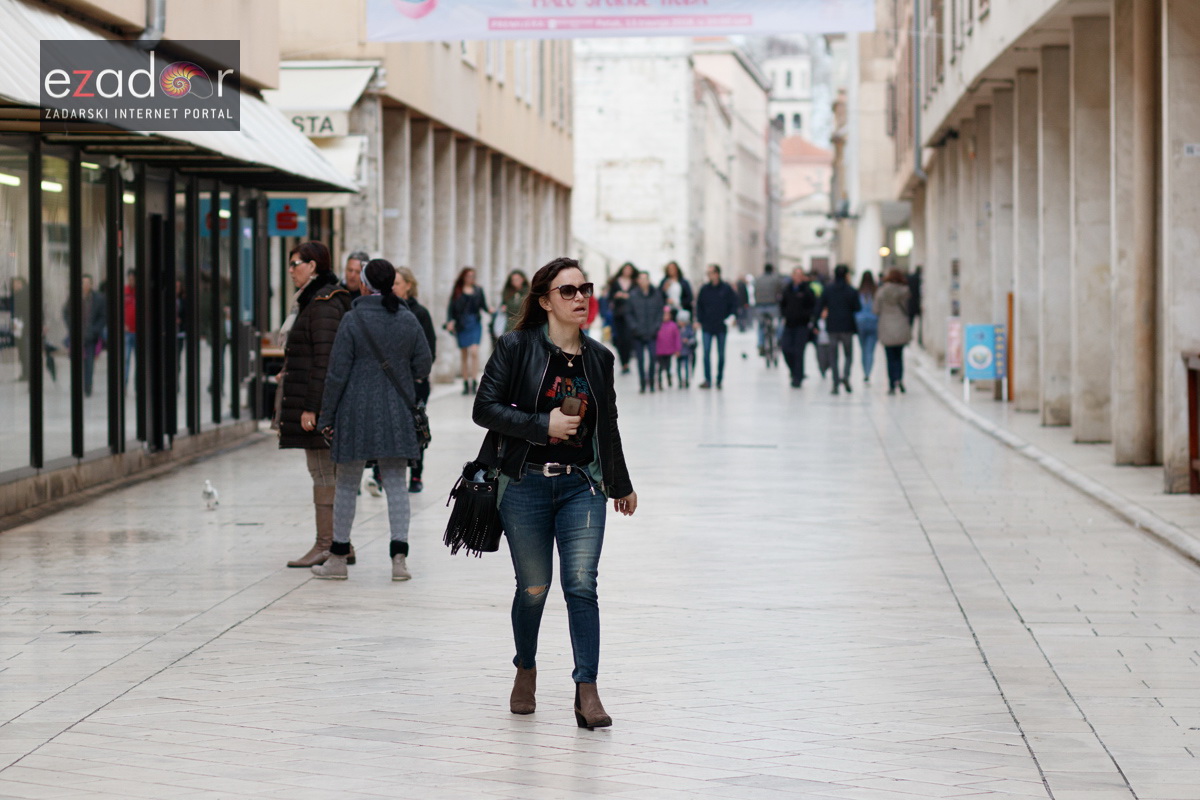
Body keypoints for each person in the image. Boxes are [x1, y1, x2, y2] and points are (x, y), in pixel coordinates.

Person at [472, 256, 636, 730]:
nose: (580, 297)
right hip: (524, 484)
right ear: (545, 301)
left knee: (582, 584)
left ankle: (587, 690)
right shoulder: (515, 346)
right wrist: (542, 425)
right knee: (534, 588)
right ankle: (525, 666)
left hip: (581, 484)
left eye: (584, 289)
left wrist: (621, 483)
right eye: (568, 291)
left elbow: (608, 426)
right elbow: (485, 409)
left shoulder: (599, 358)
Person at [313, 259, 432, 581]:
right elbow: (423, 365)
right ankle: (399, 561)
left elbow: (336, 374)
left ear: (364, 285)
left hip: (355, 412)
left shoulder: (353, 319)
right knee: (396, 484)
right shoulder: (407, 319)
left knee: (346, 484)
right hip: (397, 412)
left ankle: (338, 560)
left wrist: (327, 416)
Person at [277, 241, 355, 569]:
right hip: (320, 400)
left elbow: (325, 360)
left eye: (295, 263)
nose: (290, 270)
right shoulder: (316, 299)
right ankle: (341, 543)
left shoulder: (323, 302)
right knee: (327, 473)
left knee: (323, 473)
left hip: (320, 405)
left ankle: (327, 544)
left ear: (313, 266)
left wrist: (313, 407)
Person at [394, 265, 435, 494]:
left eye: (397, 283)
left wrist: (417, 375)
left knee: (416, 427)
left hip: (415, 383)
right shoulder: (386, 312)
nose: (393, 287)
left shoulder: (420, 313)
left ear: (408, 285)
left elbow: (429, 350)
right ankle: (380, 473)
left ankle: (416, 474)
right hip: (391, 383)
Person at [817, 264, 861, 395]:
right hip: (847, 327)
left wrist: (815, 321)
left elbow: (820, 305)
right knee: (848, 355)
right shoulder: (851, 290)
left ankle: (835, 382)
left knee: (833, 356)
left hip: (833, 327)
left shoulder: (828, 289)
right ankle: (846, 376)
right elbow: (857, 307)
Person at [694, 264, 739, 389]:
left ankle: (719, 379)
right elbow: (699, 306)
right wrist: (699, 320)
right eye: (707, 273)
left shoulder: (726, 289)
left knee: (721, 355)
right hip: (707, 326)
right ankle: (707, 379)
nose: (709, 275)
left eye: (711, 273)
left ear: (717, 273)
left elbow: (734, 304)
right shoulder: (704, 289)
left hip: (721, 326)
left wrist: (731, 317)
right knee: (706, 353)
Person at [62, 274, 107, 398]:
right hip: (77, 336)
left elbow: (103, 317)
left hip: (91, 336)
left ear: (91, 284)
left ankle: (88, 386)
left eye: (88, 283)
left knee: (89, 362)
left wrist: (95, 329)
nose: (85, 285)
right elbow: (66, 313)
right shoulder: (73, 297)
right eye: (83, 283)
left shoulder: (99, 298)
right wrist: (72, 327)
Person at [446, 267, 488, 395]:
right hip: (462, 324)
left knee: (474, 352)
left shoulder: (478, 290)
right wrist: (450, 321)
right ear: (464, 277)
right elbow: (451, 307)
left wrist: (493, 310)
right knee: (464, 354)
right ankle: (465, 382)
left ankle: (474, 381)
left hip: (474, 322)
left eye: (473, 276)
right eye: (469, 276)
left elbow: (484, 306)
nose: (471, 278)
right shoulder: (457, 290)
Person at [876, 268, 913, 395]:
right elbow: (909, 308)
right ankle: (899, 379)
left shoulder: (881, 292)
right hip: (901, 325)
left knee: (889, 357)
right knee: (899, 356)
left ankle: (891, 384)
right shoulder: (905, 291)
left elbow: (876, 309)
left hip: (886, 325)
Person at [626, 271, 664, 394]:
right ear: (638, 281)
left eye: (645, 279)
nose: (643, 281)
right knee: (640, 360)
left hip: (652, 333)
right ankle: (642, 383)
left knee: (653, 357)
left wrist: (656, 326)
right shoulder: (633, 295)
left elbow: (660, 312)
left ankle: (651, 381)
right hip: (638, 333)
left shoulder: (656, 294)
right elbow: (628, 313)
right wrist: (634, 327)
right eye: (641, 279)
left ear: (649, 280)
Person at [779, 268, 817, 388]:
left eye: (800, 275)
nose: (798, 277)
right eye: (796, 274)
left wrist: (808, 317)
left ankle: (798, 377)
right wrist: (785, 314)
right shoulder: (787, 289)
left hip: (802, 325)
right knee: (786, 348)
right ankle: (794, 370)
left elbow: (813, 306)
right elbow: (782, 304)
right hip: (789, 324)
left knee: (799, 352)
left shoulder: (807, 290)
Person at [605, 262, 637, 374]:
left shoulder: (634, 283)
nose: (627, 271)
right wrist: (616, 295)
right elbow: (609, 297)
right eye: (626, 269)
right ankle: (623, 363)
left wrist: (628, 296)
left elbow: (637, 297)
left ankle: (626, 362)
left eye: (629, 269)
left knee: (628, 339)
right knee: (619, 339)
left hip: (630, 314)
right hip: (618, 315)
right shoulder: (615, 282)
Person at [753, 264, 788, 353]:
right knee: (779, 322)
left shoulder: (757, 279)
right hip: (772, 305)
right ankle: (779, 338)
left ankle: (761, 343)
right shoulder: (775, 279)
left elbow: (754, 291)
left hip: (760, 306)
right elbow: (781, 289)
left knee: (761, 325)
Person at [855, 271, 879, 385]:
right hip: (873, 322)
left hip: (860, 323)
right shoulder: (875, 292)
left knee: (863, 349)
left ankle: (865, 371)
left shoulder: (859, 292)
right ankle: (868, 373)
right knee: (870, 350)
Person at [654, 305, 680, 390]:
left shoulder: (673, 325)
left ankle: (669, 379)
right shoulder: (657, 325)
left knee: (668, 367)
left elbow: (677, 338)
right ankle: (659, 382)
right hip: (659, 350)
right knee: (660, 368)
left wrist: (677, 349)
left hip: (669, 351)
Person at [498, 269, 529, 338]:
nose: (515, 282)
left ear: (523, 279)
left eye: (517, 279)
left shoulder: (528, 292)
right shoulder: (507, 293)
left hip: (524, 324)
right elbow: (503, 305)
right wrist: (503, 308)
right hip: (510, 324)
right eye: (513, 280)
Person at [11, 276, 30, 382]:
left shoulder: (21, 294)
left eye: (16, 283)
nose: (14, 285)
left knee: (23, 350)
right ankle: (26, 373)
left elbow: (19, 312)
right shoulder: (20, 294)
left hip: (22, 325)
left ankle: (26, 373)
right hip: (21, 325)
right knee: (23, 350)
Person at [122, 270, 136, 388]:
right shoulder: (124, 291)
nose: (131, 281)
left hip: (138, 332)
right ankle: (124, 385)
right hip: (127, 332)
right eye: (130, 279)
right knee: (125, 359)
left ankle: (138, 385)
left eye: (133, 279)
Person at [676, 309, 696, 388]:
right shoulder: (676, 329)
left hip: (687, 351)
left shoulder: (689, 329)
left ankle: (687, 380)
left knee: (687, 366)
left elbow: (693, 339)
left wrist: (688, 341)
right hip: (678, 352)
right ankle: (680, 380)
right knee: (678, 367)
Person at [908, 265, 923, 345]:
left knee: (910, 322)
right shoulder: (918, 279)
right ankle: (916, 338)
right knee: (917, 323)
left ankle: (909, 337)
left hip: (910, 305)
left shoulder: (910, 278)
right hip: (915, 304)